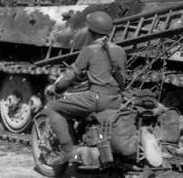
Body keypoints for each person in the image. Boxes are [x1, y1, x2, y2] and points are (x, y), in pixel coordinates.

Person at [43, 11, 126, 164]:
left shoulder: (89, 50)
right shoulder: (120, 50)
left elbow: (71, 75)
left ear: (90, 31)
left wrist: (57, 87)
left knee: (52, 108)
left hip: (96, 98)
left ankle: (67, 151)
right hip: (116, 99)